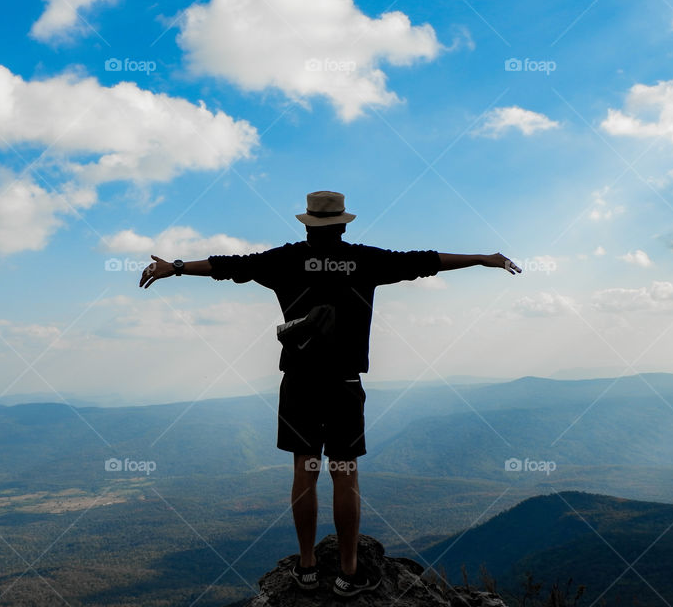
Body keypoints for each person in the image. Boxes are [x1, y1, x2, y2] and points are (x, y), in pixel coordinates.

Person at [139, 190, 521, 597]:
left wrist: (175, 267)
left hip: (299, 379)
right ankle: (349, 571)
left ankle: (305, 566)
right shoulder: (364, 260)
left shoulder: (284, 259)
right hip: (344, 382)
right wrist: (483, 258)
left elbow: (227, 266)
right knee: (344, 471)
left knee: (305, 468)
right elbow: (424, 262)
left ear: (307, 224)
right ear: (343, 224)